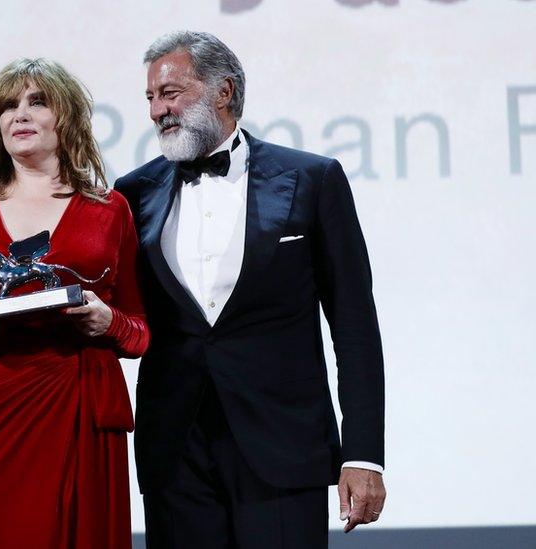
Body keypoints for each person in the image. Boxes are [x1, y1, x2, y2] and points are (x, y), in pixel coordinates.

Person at [115, 31, 387, 547]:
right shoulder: (130, 194)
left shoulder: (312, 178)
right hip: (176, 452)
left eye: (170, 93)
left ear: (224, 90)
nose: (156, 110)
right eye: (150, 97)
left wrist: (363, 454)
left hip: (283, 448)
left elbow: (355, 329)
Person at [0, 58, 149, 548]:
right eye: (8, 106)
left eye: (37, 102)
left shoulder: (109, 208)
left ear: (66, 118)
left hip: (81, 401)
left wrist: (107, 321)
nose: (20, 114)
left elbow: (140, 330)